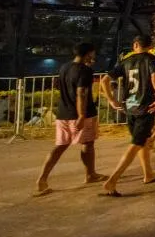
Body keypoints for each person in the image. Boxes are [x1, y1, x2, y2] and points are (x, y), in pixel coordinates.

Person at [34, 42, 107, 195]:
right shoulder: (85, 71)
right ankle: (90, 174)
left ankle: (42, 179)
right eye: (93, 54)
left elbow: (61, 87)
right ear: (88, 54)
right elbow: (81, 93)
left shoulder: (64, 67)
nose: (94, 57)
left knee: (60, 146)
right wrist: (81, 115)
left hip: (63, 114)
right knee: (88, 143)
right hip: (82, 114)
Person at [99, 35, 155, 196]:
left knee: (142, 141)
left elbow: (104, 81)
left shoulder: (126, 61)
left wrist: (111, 100)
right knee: (136, 143)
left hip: (129, 108)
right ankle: (112, 180)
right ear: (150, 46)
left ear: (136, 45)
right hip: (145, 107)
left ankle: (148, 174)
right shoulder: (152, 60)